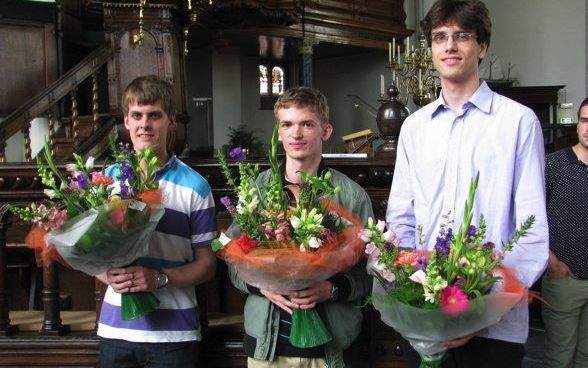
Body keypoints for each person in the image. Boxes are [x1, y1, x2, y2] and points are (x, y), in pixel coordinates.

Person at [386, 1, 549, 367]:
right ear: (430, 49)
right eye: (439, 37)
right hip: (426, 317)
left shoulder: (518, 123)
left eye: (462, 35)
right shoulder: (414, 127)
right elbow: (401, 219)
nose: (450, 46)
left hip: (495, 325)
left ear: (483, 47)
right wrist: (412, 290)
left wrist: (481, 309)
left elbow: (531, 231)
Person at [229, 87, 374, 368]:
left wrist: (332, 288)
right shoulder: (256, 191)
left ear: (326, 131)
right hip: (266, 348)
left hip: (330, 351)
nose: (296, 134)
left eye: (307, 124)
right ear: (279, 133)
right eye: (287, 125)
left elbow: (374, 275)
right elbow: (232, 263)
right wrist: (262, 287)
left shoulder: (352, 196)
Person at [96, 75, 217, 367]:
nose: (145, 124)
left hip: (174, 337)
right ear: (126, 121)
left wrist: (160, 278)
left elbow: (207, 265)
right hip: (116, 330)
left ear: (170, 121)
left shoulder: (195, 186)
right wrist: (105, 274)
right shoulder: (106, 179)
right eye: (136, 115)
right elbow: (93, 253)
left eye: (155, 116)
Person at [542, 97, 588, 368]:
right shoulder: (554, 164)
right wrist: (552, 263)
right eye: (584, 120)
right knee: (559, 359)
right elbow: (530, 217)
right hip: (564, 280)